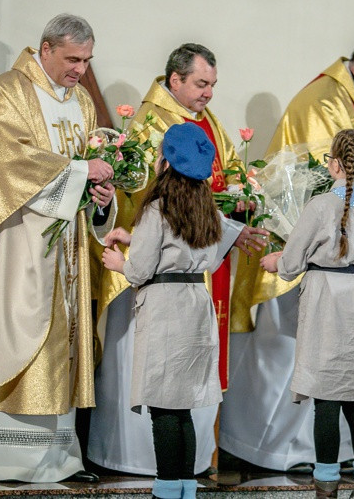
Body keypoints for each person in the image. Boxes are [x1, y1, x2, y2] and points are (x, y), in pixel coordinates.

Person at [221, 30, 354, 472]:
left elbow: (311, 230)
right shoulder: (324, 100)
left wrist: (283, 262)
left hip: (320, 280)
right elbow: (310, 174)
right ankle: (281, 450)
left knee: (320, 388)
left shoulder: (350, 106)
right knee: (337, 382)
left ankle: (319, 467)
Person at [0, 14, 116, 483]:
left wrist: (100, 196)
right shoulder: (8, 91)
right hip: (11, 242)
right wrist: (78, 174)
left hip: (63, 247)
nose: (80, 69)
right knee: (9, 331)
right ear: (45, 48)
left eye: (87, 60)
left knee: (59, 340)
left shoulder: (83, 101)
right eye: (72, 59)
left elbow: (88, 168)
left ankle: (56, 456)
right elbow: (6, 162)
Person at [88, 43, 267, 476]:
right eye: (201, 84)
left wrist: (241, 215)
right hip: (182, 290)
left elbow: (159, 229)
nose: (208, 94)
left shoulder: (205, 126)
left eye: (212, 85)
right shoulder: (150, 123)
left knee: (165, 398)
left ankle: (168, 480)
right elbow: (148, 198)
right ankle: (155, 469)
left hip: (159, 285)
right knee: (182, 399)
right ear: (175, 80)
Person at [101, 123, 244, 499]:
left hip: (165, 309)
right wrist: (138, 240)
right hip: (196, 304)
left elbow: (141, 270)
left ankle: (165, 490)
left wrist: (118, 260)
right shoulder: (206, 206)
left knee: (163, 407)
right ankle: (184, 488)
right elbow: (202, 256)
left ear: (164, 161)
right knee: (182, 408)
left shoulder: (157, 206)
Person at [260, 129, 354, 498]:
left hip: (327, 301)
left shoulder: (319, 205)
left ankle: (327, 483)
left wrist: (277, 261)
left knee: (326, 397)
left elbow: (293, 260)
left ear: (335, 164)